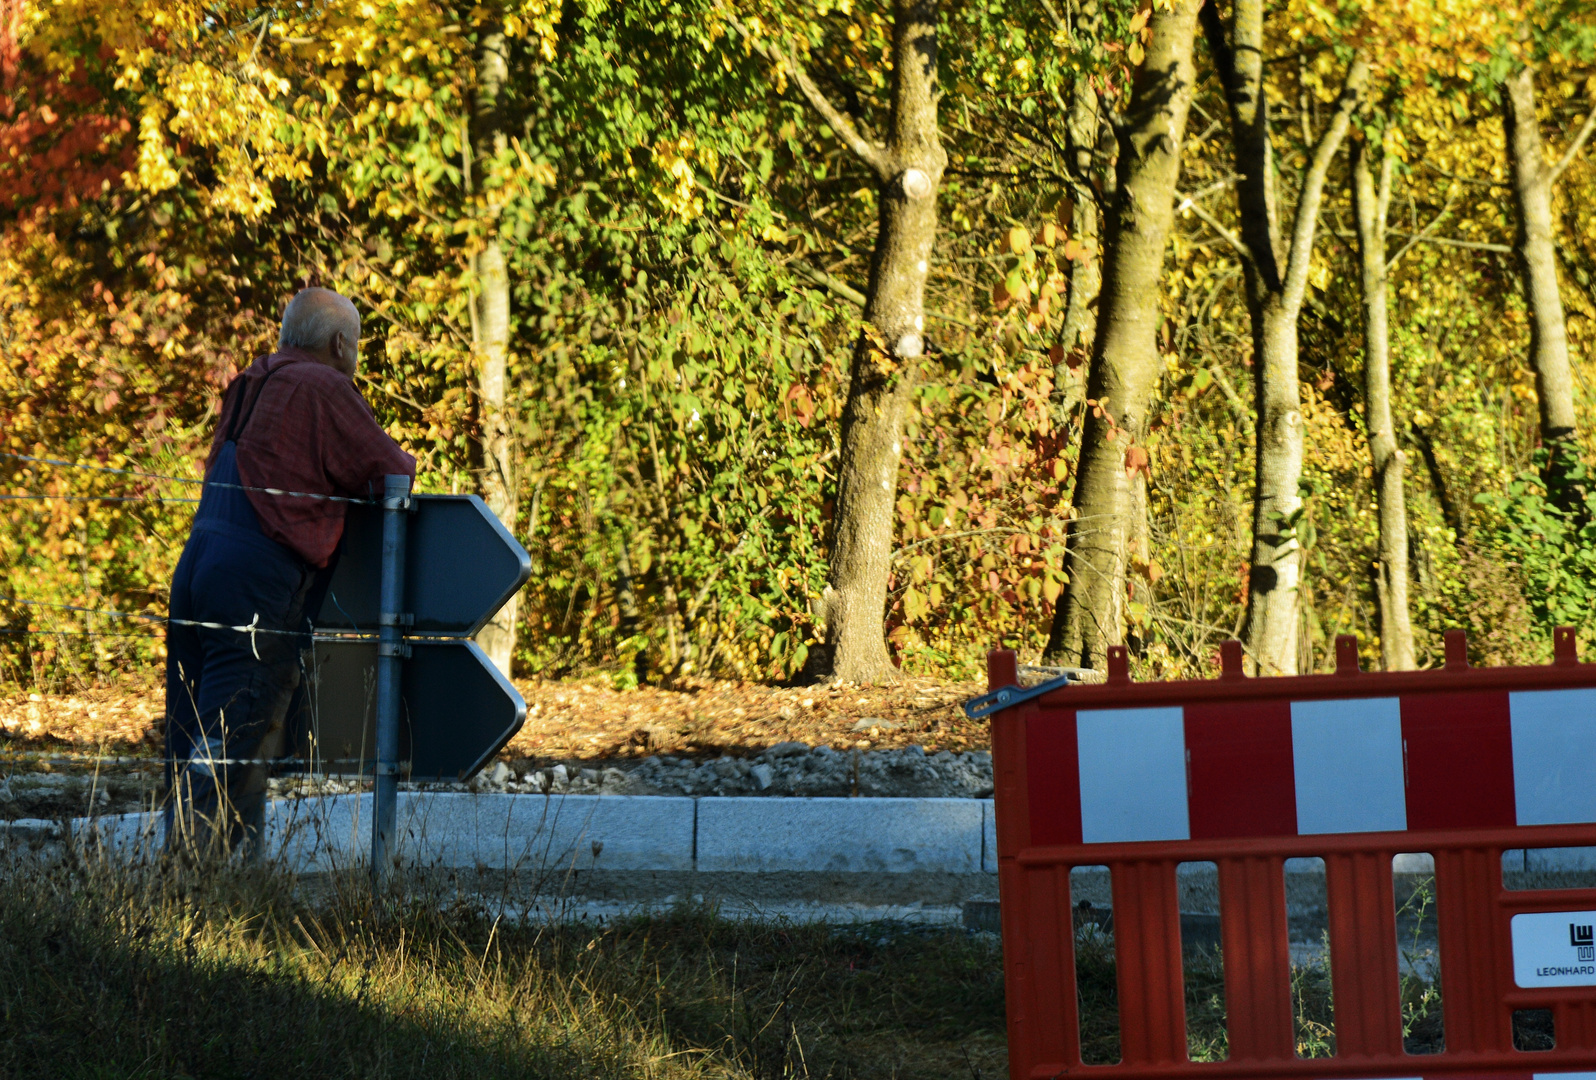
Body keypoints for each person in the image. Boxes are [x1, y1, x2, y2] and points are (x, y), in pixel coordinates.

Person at [164, 288, 415, 856]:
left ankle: (231, 893)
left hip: (199, 565)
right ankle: (184, 889)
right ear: (339, 344)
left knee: (195, 735)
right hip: (255, 579)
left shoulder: (250, 382)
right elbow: (390, 472)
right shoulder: (324, 385)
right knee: (231, 734)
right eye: (357, 344)